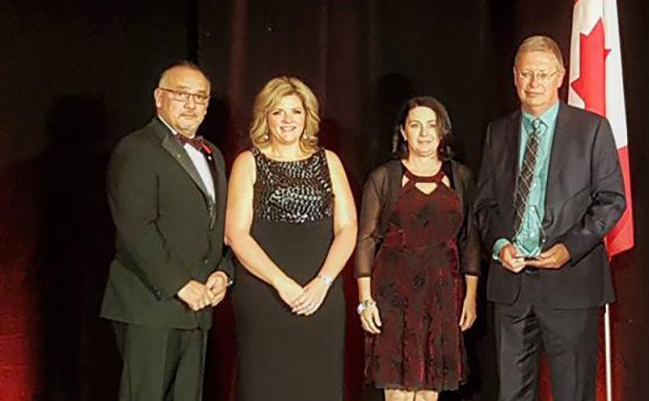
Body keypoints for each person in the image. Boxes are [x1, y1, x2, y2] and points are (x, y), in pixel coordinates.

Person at [473, 35, 626, 401]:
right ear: (514, 76)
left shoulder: (592, 129)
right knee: (511, 393)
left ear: (560, 76)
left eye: (542, 74)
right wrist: (498, 245)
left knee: (573, 392)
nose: (534, 83)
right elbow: (483, 205)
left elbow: (611, 201)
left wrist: (568, 249)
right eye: (526, 74)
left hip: (570, 284)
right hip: (511, 288)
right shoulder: (498, 132)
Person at [100, 62, 233, 401]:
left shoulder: (212, 154)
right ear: (159, 98)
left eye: (200, 97)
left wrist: (223, 272)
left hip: (198, 310)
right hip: (149, 306)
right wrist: (179, 284)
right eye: (181, 95)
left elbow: (218, 227)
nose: (192, 105)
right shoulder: (137, 149)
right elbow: (135, 228)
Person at [225, 76, 357, 400]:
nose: (288, 120)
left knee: (319, 385)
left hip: (321, 295)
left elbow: (348, 227)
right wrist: (281, 283)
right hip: (265, 294)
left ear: (307, 117)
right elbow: (235, 234)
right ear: (264, 117)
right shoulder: (248, 162)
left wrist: (323, 282)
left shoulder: (329, 161)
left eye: (295, 112)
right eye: (278, 112)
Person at [355, 96, 481, 401]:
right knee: (398, 393)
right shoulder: (385, 177)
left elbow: (470, 241)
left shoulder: (460, 177)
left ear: (442, 132)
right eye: (415, 125)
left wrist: (470, 297)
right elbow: (367, 240)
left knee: (428, 393)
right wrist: (365, 301)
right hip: (393, 293)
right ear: (403, 131)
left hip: (442, 294)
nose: (424, 134)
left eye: (432, 125)